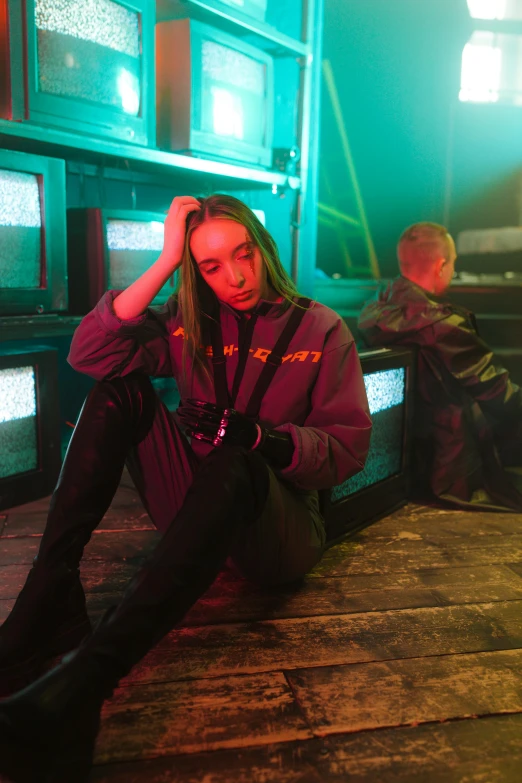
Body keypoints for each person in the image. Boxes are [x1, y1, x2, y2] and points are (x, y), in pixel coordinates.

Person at [0, 194, 372, 781]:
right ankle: (51, 595)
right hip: (196, 511)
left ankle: (83, 685)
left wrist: (266, 440)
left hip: (276, 531)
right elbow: (89, 354)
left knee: (236, 460)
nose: (236, 277)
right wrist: (166, 257)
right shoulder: (187, 321)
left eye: (242, 254)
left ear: (262, 246)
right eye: (210, 266)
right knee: (117, 392)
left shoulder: (323, 329)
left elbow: (349, 449)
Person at [358, 221, 522, 511]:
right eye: (454, 263)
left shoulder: (373, 313)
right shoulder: (444, 326)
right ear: (442, 264)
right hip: (452, 474)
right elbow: (498, 393)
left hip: (399, 469)